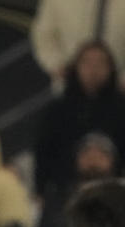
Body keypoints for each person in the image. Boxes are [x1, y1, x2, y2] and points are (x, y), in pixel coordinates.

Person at [34, 40, 125, 200]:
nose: (94, 69)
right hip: (64, 194)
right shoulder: (57, 110)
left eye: (100, 63)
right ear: (76, 67)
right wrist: (39, 190)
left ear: (111, 68)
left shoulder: (121, 109)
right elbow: (43, 151)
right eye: (87, 62)